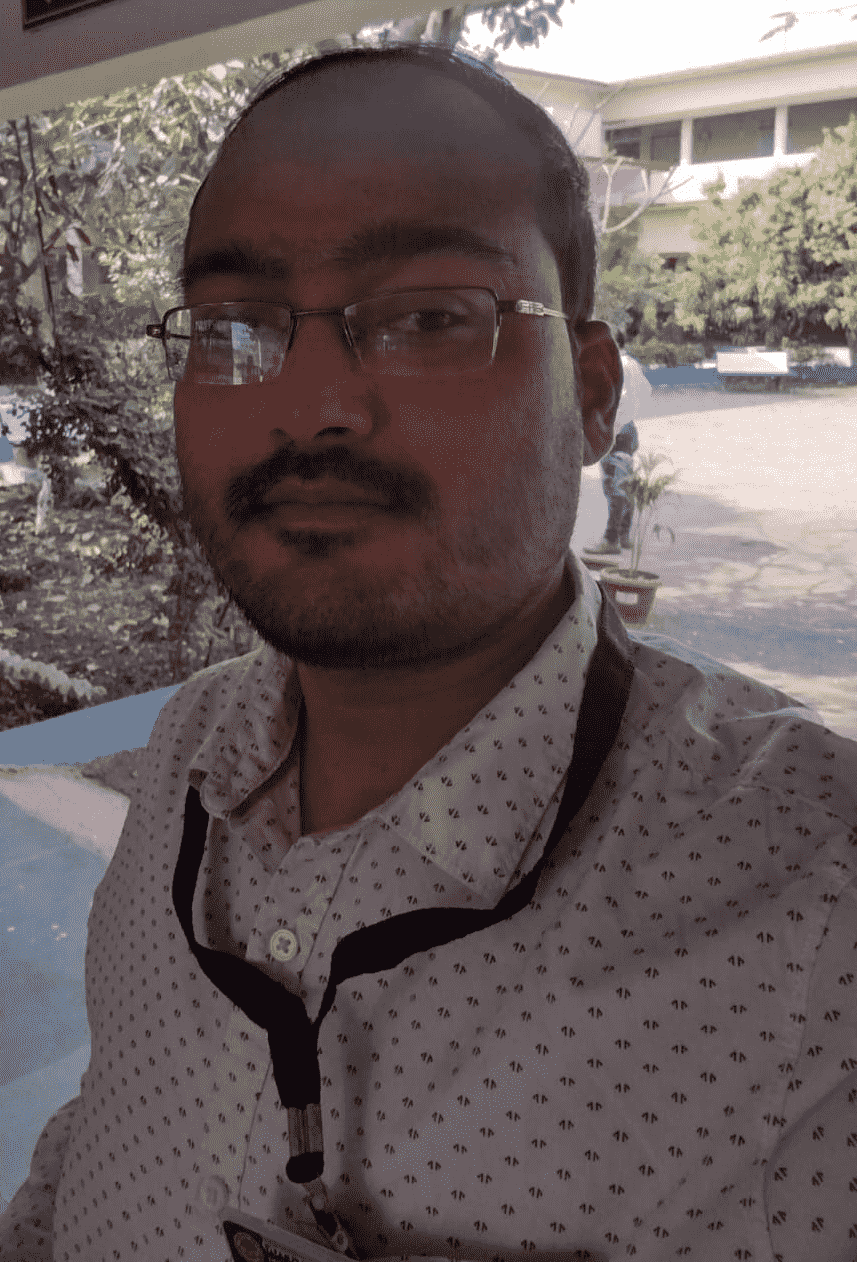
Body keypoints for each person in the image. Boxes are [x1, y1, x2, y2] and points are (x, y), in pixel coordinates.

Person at [2, 43, 856, 1262]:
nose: (308, 401)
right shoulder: (194, 748)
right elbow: (107, 1127)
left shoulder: (813, 909)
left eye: (426, 318)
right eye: (232, 325)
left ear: (593, 393)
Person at [584, 331, 652, 556]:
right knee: (625, 484)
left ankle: (611, 539)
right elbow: (645, 393)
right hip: (629, 429)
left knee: (614, 487)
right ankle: (623, 535)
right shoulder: (633, 363)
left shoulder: (614, 365)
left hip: (615, 430)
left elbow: (616, 399)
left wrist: (607, 427)